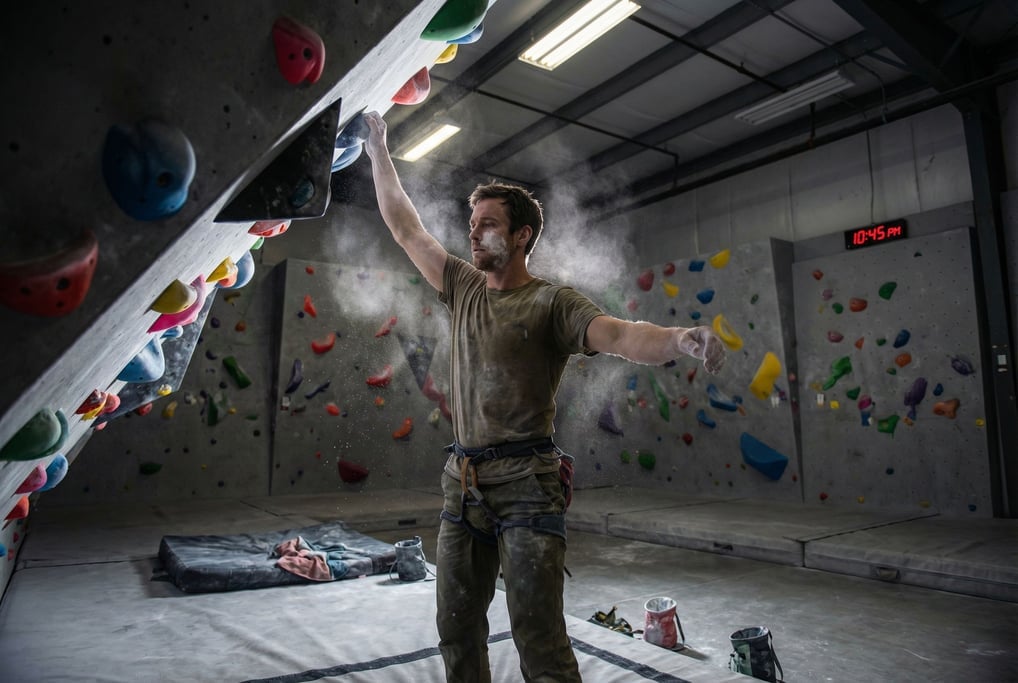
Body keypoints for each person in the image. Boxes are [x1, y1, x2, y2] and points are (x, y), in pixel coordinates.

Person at [362, 111, 725, 683]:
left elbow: (620, 335)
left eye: (487, 224)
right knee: (456, 630)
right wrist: (378, 149)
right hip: (463, 483)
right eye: (472, 223)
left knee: (539, 640)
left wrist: (681, 339)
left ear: (521, 236)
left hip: (527, 486)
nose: (473, 234)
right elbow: (407, 228)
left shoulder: (553, 303)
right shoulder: (461, 286)